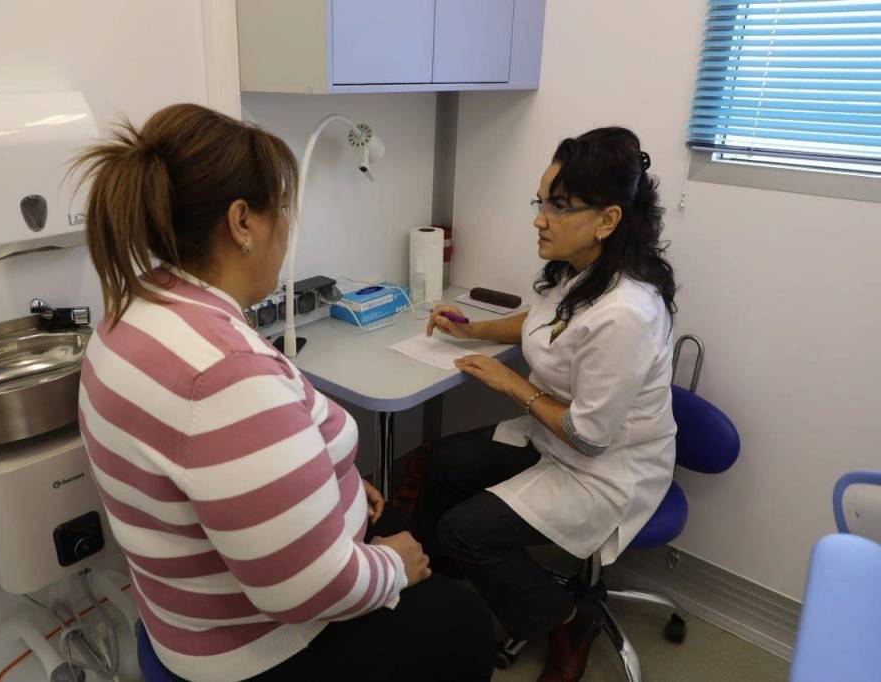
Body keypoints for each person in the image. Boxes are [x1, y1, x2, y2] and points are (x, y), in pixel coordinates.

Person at [73, 103, 494, 682]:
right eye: (285, 210)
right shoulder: (225, 374)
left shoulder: (129, 313)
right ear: (242, 222)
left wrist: (330, 478)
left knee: (404, 521)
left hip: (180, 614)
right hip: (259, 647)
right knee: (465, 623)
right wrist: (393, 569)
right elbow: (305, 591)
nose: (289, 229)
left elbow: (229, 469)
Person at [416, 127, 678, 682]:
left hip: (607, 466)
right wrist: (470, 329)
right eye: (540, 202)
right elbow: (542, 323)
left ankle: (568, 622)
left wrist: (512, 385)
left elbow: (588, 437)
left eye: (558, 207)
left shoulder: (627, 313)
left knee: (465, 529)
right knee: (444, 462)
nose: (540, 219)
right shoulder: (580, 271)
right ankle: (433, 584)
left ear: (607, 220)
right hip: (555, 434)